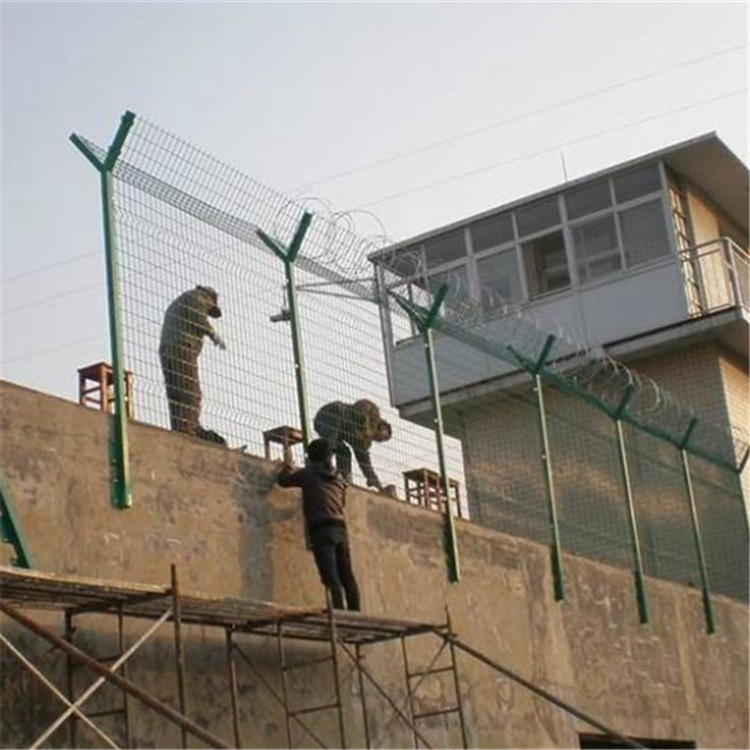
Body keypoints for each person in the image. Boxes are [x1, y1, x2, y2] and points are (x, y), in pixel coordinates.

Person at [277, 438, 361, 611]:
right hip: (341, 529)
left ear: (311, 457)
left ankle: (339, 615)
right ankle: (356, 613)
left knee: (331, 576)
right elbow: (341, 502)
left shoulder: (308, 474)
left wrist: (288, 466)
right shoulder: (339, 478)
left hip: (321, 529)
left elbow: (283, 481)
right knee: (347, 576)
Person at [313, 399, 392, 491]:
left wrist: (377, 485)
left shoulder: (364, 442)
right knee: (330, 445)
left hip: (326, 426)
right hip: (332, 413)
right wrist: (366, 427)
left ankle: (345, 482)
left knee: (344, 452)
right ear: (382, 427)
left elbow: (365, 464)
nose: (380, 440)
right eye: (382, 437)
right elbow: (361, 406)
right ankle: (319, 471)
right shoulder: (374, 414)